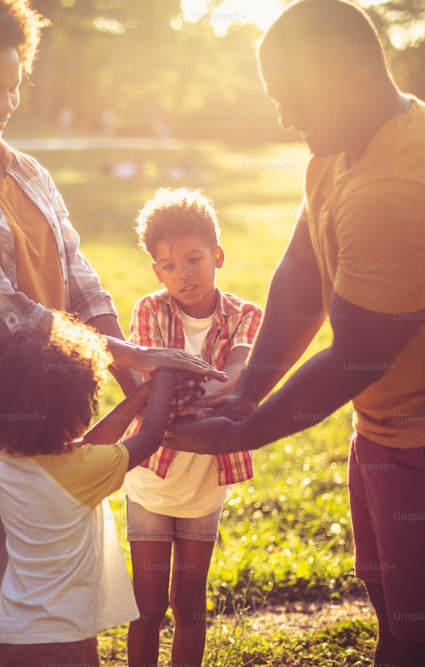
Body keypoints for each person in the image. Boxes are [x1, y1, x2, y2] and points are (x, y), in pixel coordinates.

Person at [168, 2, 425, 666]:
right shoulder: (346, 142)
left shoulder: (398, 185)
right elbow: (304, 269)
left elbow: (358, 356)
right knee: (397, 619)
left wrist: (243, 431)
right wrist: (250, 383)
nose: (284, 116)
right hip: (391, 430)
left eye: (294, 98)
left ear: (355, 79)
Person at [0, 2, 222, 665]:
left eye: (14, 85)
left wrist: (143, 377)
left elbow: (81, 278)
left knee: (4, 611)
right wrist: (128, 353)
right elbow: (1, 310)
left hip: (41, 424)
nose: (7, 101)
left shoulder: (30, 173)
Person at [0, 313, 208, 667]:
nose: (90, 406)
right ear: (68, 409)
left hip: (14, 632)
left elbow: (87, 445)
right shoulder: (81, 472)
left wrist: (143, 392)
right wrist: (164, 378)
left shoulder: (10, 462)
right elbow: (148, 439)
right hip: (63, 636)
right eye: (87, 399)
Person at [121, 188, 262, 667]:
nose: (183, 274)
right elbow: (155, 385)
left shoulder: (244, 315)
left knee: (189, 605)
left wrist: (184, 393)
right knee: (147, 607)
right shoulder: (149, 310)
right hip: (152, 482)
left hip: (205, 484)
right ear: (156, 271)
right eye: (168, 265)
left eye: (194, 259)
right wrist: (207, 396)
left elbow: (240, 372)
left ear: (217, 255)